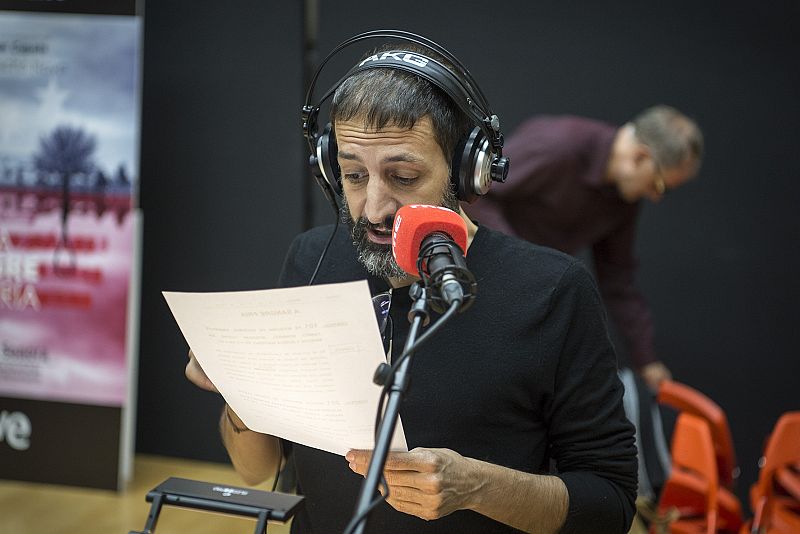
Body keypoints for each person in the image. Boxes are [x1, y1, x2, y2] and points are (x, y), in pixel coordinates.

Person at [186, 37, 637, 533]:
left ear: (467, 172)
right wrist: (243, 401)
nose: (375, 208)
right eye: (353, 175)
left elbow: (610, 505)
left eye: (403, 177)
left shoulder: (553, 292)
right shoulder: (311, 260)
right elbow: (260, 468)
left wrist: (479, 487)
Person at [465, 107, 703, 390]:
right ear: (640, 157)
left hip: (525, 293)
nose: (655, 197)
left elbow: (618, 280)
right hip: (476, 280)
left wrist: (646, 360)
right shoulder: (558, 146)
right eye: (658, 185)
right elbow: (478, 194)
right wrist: (520, 260)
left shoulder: (623, 199)